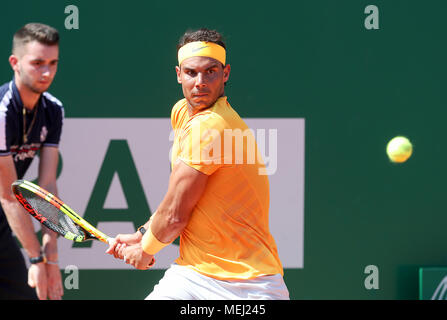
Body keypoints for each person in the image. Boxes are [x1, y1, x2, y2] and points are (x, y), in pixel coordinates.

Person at [107, 28, 289, 300]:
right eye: (191, 72)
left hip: (248, 286)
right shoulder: (182, 112)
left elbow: (175, 216)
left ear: (225, 74)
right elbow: (178, 198)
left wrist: (146, 250)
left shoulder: (211, 125)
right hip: (192, 275)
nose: (200, 82)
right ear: (178, 74)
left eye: (211, 72)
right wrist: (142, 233)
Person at [0, 23, 64, 300]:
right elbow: (9, 196)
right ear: (15, 63)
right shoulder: (2, 112)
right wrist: (37, 260)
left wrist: (51, 257)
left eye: (52, 63)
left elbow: (46, 185)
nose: (47, 72)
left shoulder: (53, 110)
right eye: (38, 63)